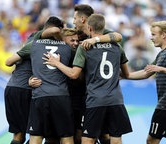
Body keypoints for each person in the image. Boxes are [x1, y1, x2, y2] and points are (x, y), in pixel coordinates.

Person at [44, 14, 132, 144]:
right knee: (116, 139)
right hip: (116, 100)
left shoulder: (84, 47)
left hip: (95, 99)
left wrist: (56, 63)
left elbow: (74, 74)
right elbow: (126, 74)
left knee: (87, 140)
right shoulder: (116, 46)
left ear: (89, 28)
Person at [6, 16, 74, 144]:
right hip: (23, 88)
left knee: (37, 134)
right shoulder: (36, 39)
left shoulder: (37, 44)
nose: (63, 34)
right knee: (23, 135)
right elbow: (8, 61)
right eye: (63, 30)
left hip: (25, 88)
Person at [128, 21, 166, 144]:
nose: (151, 37)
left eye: (154, 34)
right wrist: (125, 76)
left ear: (163, 35)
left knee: (151, 140)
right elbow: (146, 72)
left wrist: (160, 69)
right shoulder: (162, 54)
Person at [4, 32, 42, 144]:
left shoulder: (22, 51)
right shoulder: (37, 49)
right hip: (24, 90)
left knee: (18, 135)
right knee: (36, 133)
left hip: (11, 88)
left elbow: (9, 62)